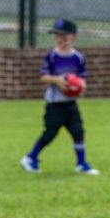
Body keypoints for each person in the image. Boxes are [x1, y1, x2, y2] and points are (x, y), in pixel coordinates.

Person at [19, 18, 98, 176]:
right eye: (56, 36)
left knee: (78, 132)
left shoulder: (78, 57)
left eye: (63, 36)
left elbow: (82, 78)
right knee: (50, 133)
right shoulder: (52, 56)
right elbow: (43, 76)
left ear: (73, 37)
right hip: (55, 104)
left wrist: (80, 86)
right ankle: (30, 158)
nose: (59, 39)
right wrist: (58, 80)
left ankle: (81, 163)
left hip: (71, 103)